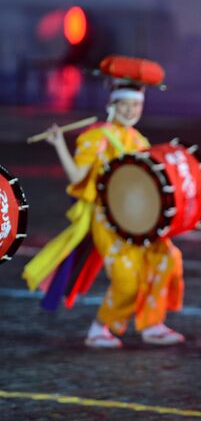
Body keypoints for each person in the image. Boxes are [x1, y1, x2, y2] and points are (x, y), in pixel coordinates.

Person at [22, 56, 185, 349]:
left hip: (136, 216)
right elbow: (76, 175)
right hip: (107, 218)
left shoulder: (139, 140)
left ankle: (152, 324)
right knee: (126, 279)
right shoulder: (96, 137)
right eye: (124, 105)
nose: (130, 111)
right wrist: (60, 144)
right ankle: (100, 328)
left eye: (135, 106)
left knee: (166, 259)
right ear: (112, 105)